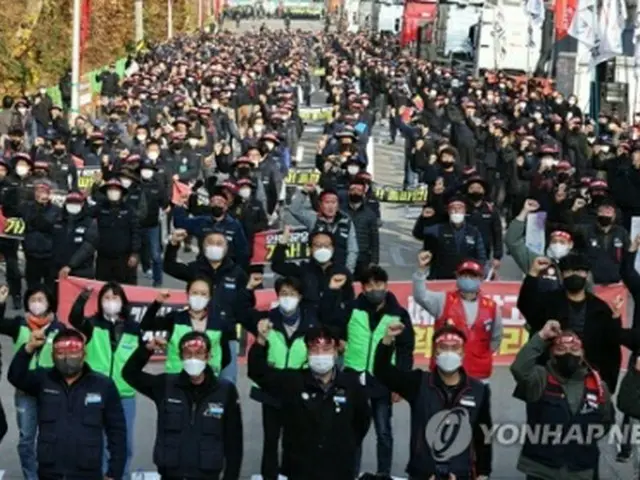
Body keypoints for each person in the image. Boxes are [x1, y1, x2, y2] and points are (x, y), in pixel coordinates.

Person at [248, 322, 371, 480]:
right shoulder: (293, 381)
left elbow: (362, 421)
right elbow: (258, 372)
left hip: (339, 468)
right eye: (315, 350)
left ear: (335, 352)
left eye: (326, 349)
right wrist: (260, 341)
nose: (320, 355)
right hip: (299, 469)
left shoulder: (351, 385)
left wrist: (345, 444)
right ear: (307, 353)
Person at [374, 323, 492, 480]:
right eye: (443, 347)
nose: (449, 353)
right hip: (423, 473)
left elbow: (484, 434)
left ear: (463, 352)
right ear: (435, 352)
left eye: (455, 347)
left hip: (461, 473)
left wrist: (483, 473)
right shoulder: (418, 383)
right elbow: (382, 371)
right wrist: (388, 340)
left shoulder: (479, 390)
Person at [8, 328, 126, 480]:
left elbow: (117, 432)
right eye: (61, 353)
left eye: (73, 352)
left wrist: (114, 472)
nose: (67, 358)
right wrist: (29, 348)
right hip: (49, 471)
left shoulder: (103, 385)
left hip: (88, 472)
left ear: (84, 355)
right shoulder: (43, 379)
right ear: (52, 356)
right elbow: (15, 376)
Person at [122, 331, 243, 480]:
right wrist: (147, 349)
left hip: (207, 475)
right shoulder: (165, 385)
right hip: (171, 474)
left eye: (199, 353)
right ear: (180, 356)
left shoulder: (225, 390)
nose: (193, 359)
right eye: (188, 354)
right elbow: (129, 373)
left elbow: (234, 442)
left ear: (208, 356)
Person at [330, 265, 415, 476]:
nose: (374, 289)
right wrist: (339, 338)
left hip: (384, 378)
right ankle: (351, 473)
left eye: (378, 284)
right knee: (353, 431)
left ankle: (383, 474)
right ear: (363, 287)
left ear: (386, 286)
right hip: (354, 377)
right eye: (369, 285)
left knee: (383, 431)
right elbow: (335, 327)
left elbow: (406, 350)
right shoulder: (352, 308)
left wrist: (401, 383)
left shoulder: (399, 314)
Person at [510, 320, 614, 480]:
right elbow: (519, 368)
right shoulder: (540, 377)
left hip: (581, 469)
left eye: (574, 349)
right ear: (552, 354)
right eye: (561, 349)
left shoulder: (598, 385)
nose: (568, 353)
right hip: (541, 468)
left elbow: (606, 421)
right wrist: (542, 336)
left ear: (582, 354)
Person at [162, 228, 255, 383]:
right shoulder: (195, 269)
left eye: (219, 243)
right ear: (203, 247)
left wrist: (249, 291)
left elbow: (247, 304)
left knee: (225, 384)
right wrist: (173, 244)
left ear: (226, 248)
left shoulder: (237, 273)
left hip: (226, 336)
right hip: (195, 334)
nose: (215, 246)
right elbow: (169, 266)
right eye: (210, 242)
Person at [69, 281, 141, 477]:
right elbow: (74, 318)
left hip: (124, 393)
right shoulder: (93, 324)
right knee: (97, 441)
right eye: (106, 298)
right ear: (100, 302)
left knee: (124, 444)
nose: (111, 302)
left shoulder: (133, 328)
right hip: (96, 391)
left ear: (122, 301)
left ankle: (120, 475)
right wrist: (83, 297)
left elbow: (139, 358)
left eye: (115, 297)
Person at [0, 284, 65, 480]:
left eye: (41, 300)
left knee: (52, 438)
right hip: (24, 392)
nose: (36, 304)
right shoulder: (20, 325)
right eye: (33, 300)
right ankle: (31, 476)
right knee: (27, 439)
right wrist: (1, 304)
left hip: (51, 391)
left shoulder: (59, 329)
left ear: (49, 304)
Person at [413, 252, 503, 382]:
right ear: (457, 277)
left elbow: (496, 338)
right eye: (464, 275)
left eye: (472, 276)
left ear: (481, 279)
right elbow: (420, 296)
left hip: (478, 373)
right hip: (445, 372)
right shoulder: (443, 300)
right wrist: (421, 270)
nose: (468, 278)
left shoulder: (492, 307)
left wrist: (480, 354)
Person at [140, 275, 232, 376]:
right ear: (188, 294)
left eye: (203, 294)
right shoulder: (175, 318)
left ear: (209, 297)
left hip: (207, 384)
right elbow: (146, 325)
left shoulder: (220, 323)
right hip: (176, 380)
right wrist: (157, 303)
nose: (198, 297)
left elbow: (226, 357)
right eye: (195, 293)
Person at [414, 197, 487, 279]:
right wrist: (422, 218)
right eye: (453, 208)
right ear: (448, 211)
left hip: (466, 277)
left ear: (465, 210)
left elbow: (481, 256)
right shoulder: (439, 228)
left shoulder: (473, 231)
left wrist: (480, 272)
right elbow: (418, 233)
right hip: (441, 277)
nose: (456, 210)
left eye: (460, 208)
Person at [95, 178, 141, 284]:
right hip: (103, 258)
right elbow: (85, 213)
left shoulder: (129, 210)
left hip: (124, 258)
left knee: (126, 289)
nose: (113, 192)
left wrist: (135, 253)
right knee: (102, 288)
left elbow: (136, 232)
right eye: (110, 190)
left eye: (116, 190)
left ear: (121, 192)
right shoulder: (100, 208)